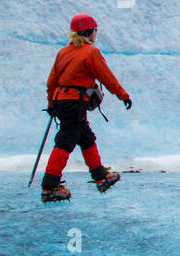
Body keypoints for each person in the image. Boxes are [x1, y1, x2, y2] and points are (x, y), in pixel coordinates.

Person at [39, 13, 132, 202]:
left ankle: (100, 177)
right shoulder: (91, 52)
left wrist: (51, 103)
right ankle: (49, 187)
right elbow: (107, 77)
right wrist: (123, 95)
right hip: (75, 102)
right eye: (96, 30)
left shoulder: (63, 52)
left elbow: (52, 81)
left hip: (61, 101)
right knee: (66, 140)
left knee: (86, 137)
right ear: (90, 31)